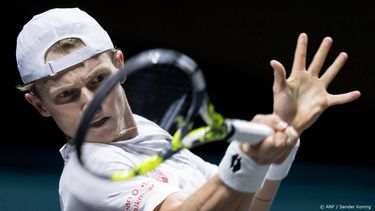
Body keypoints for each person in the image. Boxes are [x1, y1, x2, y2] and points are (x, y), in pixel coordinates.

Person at [15, 8, 360, 211]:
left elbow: (246, 205)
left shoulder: (147, 132)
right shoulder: (89, 173)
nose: (91, 102)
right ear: (39, 104)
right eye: (67, 95)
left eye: (99, 79)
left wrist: (283, 132)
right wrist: (247, 159)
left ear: (120, 65)